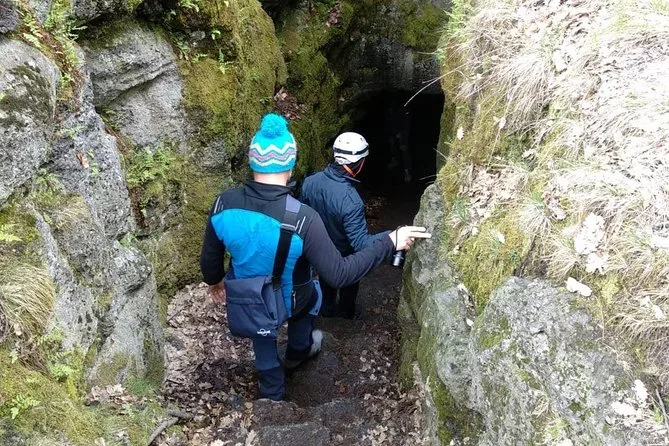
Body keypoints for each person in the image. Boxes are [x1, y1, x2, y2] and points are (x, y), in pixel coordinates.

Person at [199, 114, 429, 401]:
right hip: (294, 296)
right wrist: (390, 241)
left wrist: (215, 282)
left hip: (249, 296)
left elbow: (210, 260)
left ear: (253, 161)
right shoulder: (303, 219)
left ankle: (270, 395)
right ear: (290, 163)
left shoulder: (223, 204)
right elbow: (339, 274)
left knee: (263, 334)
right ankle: (298, 353)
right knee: (310, 300)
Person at [300, 132, 386, 319]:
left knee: (326, 277)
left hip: (319, 249)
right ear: (360, 163)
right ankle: (346, 313)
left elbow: (302, 215)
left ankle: (327, 310)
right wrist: (392, 238)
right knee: (350, 280)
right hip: (344, 252)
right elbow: (360, 243)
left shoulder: (310, 182)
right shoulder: (351, 201)